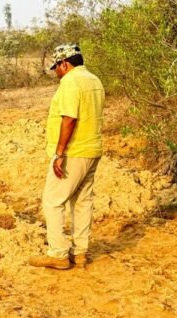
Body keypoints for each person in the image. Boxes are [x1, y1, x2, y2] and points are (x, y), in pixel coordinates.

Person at [29, 44, 105, 270]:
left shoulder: (71, 82)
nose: (56, 73)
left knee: (52, 201)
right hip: (92, 149)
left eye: (56, 68)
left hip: (74, 152)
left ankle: (58, 254)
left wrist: (60, 153)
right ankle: (80, 252)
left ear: (64, 63)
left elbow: (69, 119)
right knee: (82, 201)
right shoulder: (94, 80)